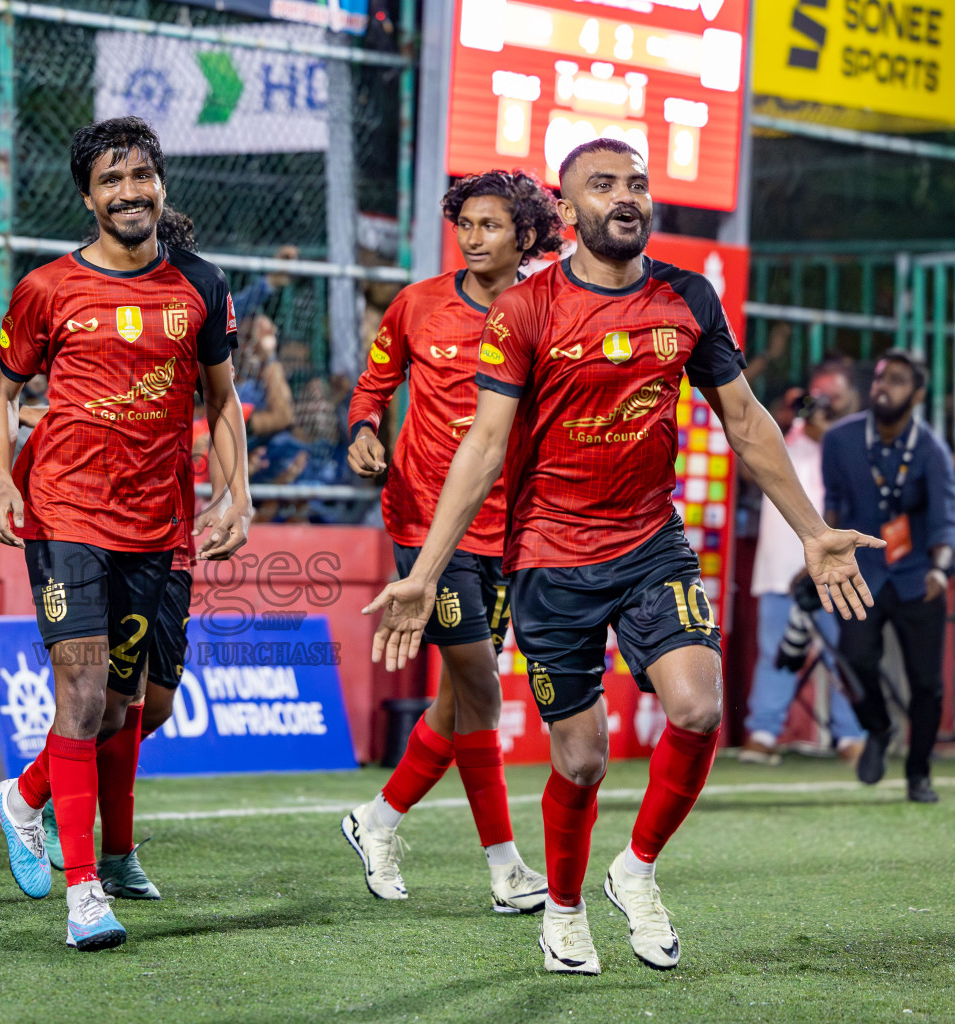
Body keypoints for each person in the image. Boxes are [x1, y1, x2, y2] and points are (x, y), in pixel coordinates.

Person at [364, 138, 881, 976]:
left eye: (637, 182)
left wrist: (813, 530)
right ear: (567, 214)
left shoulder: (687, 298)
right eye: (603, 185)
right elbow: (485, 445)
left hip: (650, 542)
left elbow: (745, 421)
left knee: (699, 710)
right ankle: (563, 911)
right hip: (548, 556)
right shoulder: (527, 311)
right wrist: (424, 571)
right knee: (583, 758)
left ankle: (635, 872)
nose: (626, 196)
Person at [0, 116, 250, 952]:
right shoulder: (46, 289)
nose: (128, 192)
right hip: (65, 513)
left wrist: (234, 494)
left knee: (141, 705)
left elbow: (224, 399)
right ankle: (85, 889)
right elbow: (1, 389)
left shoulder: (201, 284)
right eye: (111, 180)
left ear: (160, 184)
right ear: (88, 196)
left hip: (159, 523)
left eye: (141, 176)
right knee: (86, 696)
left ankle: (25, 797)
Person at [343, 170, 564, 910]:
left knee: (459, 696)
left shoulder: (550, 312)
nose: (473, 238)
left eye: (490, 225)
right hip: (423, 522)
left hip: (510, 526)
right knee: (477, 680)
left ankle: (377, 820)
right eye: (465, 223)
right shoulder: (418, 304)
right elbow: (373, 384)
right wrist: (364, 429)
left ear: (525, 235)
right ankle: (505, 869)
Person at [823, 349, 955, 803]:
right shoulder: (839, 441)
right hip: (862, 574)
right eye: (880, 378)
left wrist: (940, 569)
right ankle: (877, 728)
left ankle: (918, 773)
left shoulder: (932, 450)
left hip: (919, 579)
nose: (883, 387)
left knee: (927, 684)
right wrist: (819, 555)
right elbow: (834, 505)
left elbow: (944, 520)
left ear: (917, 395)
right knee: (853, 658)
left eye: (897, 381)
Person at [740, 362, 865, 765]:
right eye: (817, 396)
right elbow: (746, 469)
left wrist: (827, 429)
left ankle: (852, 736)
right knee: (776, 651)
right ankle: (763, 731)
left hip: (834, 572)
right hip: (781, 571)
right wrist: (783, 421)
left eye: (833, 397)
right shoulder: (783, 443)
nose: (823, 405)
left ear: (852, 401)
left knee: (843, 655)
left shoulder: (852, 445)